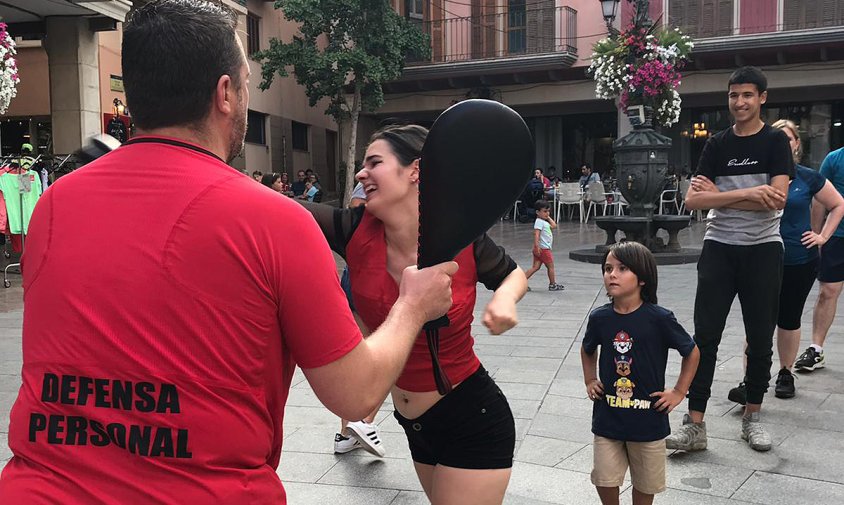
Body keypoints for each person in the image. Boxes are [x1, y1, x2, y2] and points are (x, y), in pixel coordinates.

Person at [0, 2, 457, 503]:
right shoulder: (276, 221)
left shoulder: (53, 204)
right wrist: (413, 305)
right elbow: (356, 393)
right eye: (244, 84)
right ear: (225, 93)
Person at [300, 124, 528, 505]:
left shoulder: (461, 236)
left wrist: (505, 300)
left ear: (415, 170)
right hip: (414, 424)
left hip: (471, 416)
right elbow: (280, 208)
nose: (361, 173)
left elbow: (512, 274)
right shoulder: (354, 230)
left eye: (374, 162)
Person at [666, 66, 793, 453]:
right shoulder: (718, 143)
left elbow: (778, 198)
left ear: (762, 99)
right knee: (705, 337)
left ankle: (752, 416)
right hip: (719, 246)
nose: (739, 102)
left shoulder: (775, 143)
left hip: (762, 249)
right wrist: (752, 194)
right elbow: (692, 200)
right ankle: (695, 424)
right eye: (734, 95)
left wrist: (721, 194)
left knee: (759, 337)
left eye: (747, 95)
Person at [727, 119, 844, 402]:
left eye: (788, 138)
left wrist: (821, 236)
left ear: (796, 144)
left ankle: (785, 372)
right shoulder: (757, 176)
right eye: (776, 137)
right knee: (757, 321)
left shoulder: (806, 176)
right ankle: (751, 380)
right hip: (759, 257)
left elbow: (838, 203)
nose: (782, 142)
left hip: (798, 260)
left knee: (789, 320)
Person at [581, 242, 699, 505]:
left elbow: (691, 351)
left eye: (622, 268)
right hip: (608, 417)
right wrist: (590, 379)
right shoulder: (600, 318)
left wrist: (679, 392)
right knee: (604, 477)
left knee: (646, 481)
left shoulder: (659, 318)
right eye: (608, 268)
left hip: (648, 420)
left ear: (642, 278)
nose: (612, 274)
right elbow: (588, 348)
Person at [798, 144, 844, 374]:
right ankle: (816, 349)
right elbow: (819, 199)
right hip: (837, 237)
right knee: (828, 292)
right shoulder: (835, 159)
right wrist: (817, 234)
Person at [524, 200, 564, 291]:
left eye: (548, 211)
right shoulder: (539, 222)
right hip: (543, 249)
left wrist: (548, 217)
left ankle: (520, 282)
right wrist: (537, 246)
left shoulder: (544, 222)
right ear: (537, 212)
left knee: (535, 267)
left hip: (541, 249)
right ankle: (552, 284)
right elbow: (536, 234)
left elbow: (554, 226)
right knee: (550, 266)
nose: (547, 213)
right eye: (545, 211)